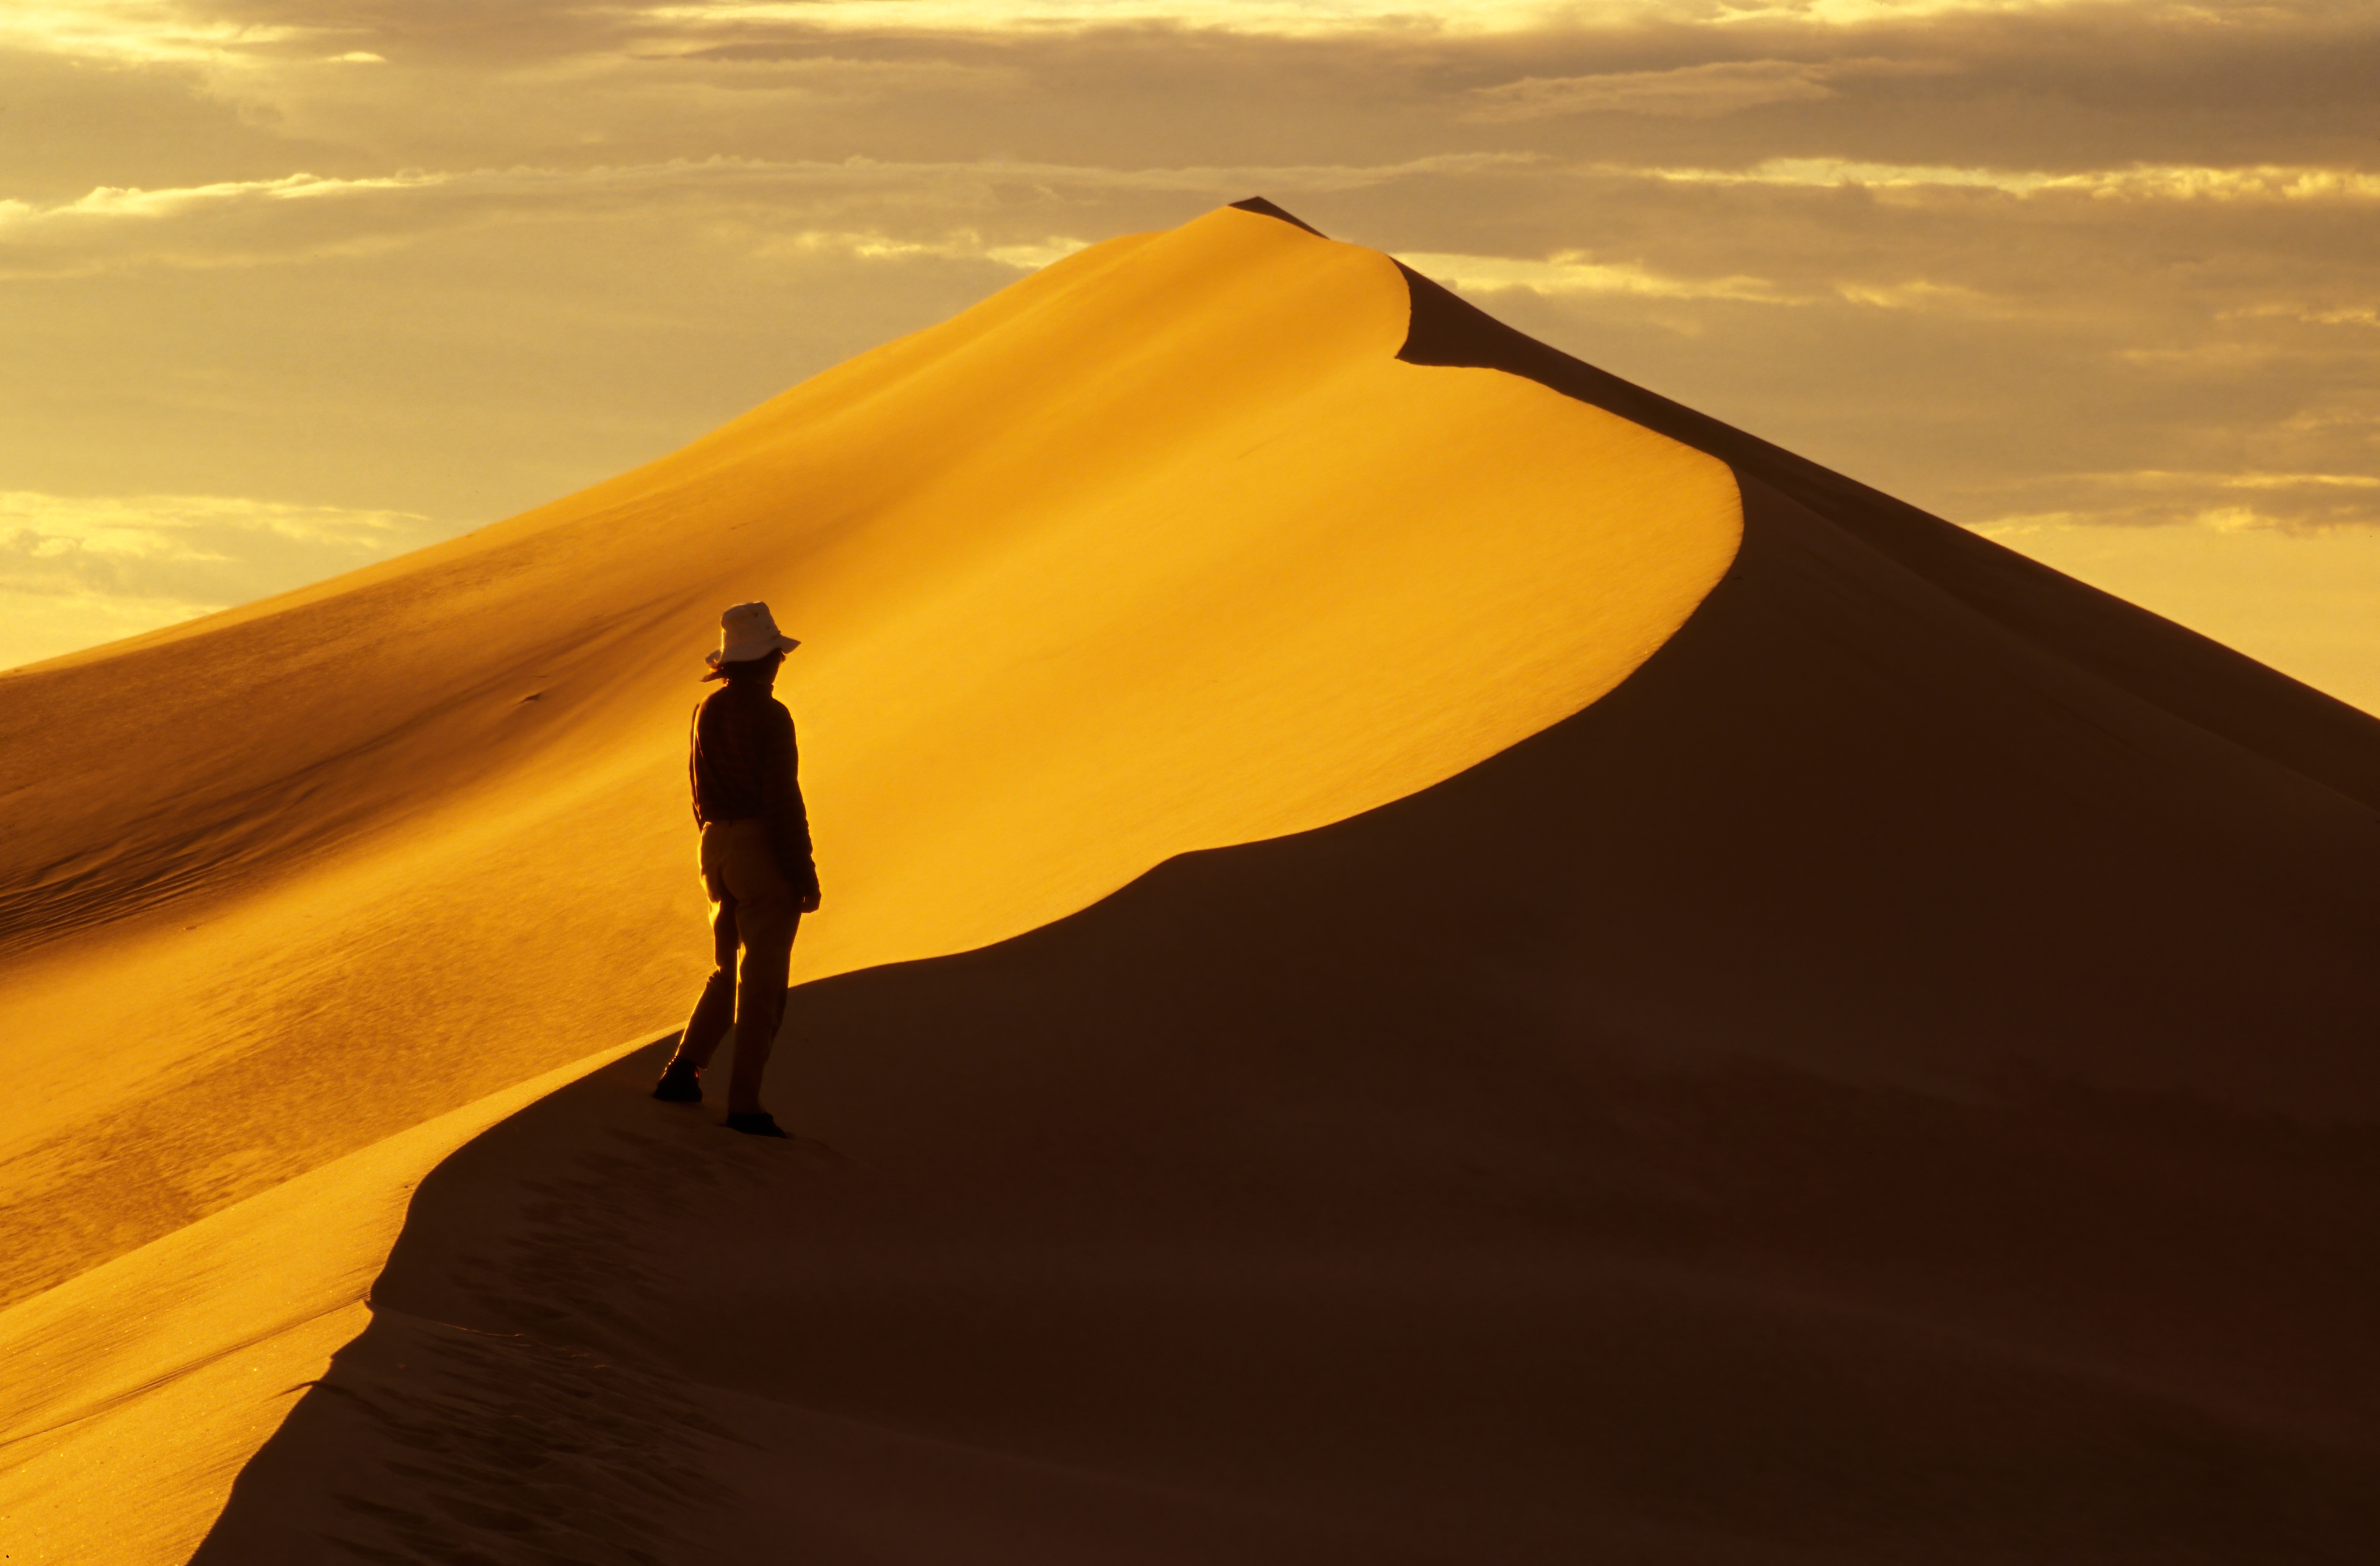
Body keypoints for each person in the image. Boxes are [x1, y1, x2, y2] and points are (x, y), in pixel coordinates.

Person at [651, 600, 821, 1137]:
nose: (779, 664)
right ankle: (745, 1105)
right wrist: (803, 872)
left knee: (727, 969)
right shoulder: (771, 715)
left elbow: (696, 788)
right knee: (763, 984)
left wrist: (716, 845)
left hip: (714, 846)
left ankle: (683, 1070)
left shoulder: (706, 709)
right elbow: (782, 798)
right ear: (766, 659)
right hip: (758, 847)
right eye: (776, 655)